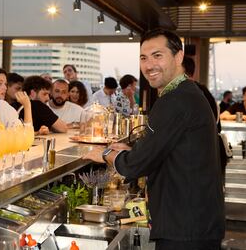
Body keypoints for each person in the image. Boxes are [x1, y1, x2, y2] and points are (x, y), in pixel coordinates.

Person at [84, 28, 224, 249]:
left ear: (178, 57)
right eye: (143, 58)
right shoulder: (185, 93)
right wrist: (133, 149)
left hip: (184, 228)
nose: (149, 65)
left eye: (157, 55)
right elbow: (165, 145)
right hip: (194, 221)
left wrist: (105, 154)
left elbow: (133, 166)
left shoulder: (175, 100)